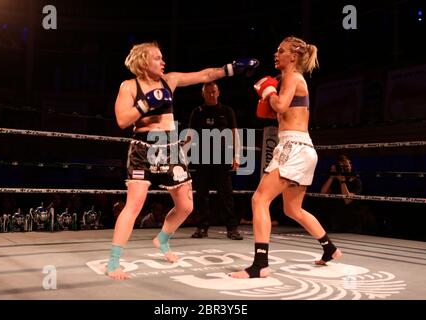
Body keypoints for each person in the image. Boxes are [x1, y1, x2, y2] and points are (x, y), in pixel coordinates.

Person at [106, 41, 259, 280]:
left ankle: (162, 239)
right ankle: (114, 262)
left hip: (170, 147)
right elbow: (122, 120)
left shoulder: (170, 80)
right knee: (134, 205)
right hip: (143, 149)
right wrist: (145, 103)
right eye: (157, 57)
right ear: (144, 61)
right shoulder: (128, 86)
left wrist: (230, 69)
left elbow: (204, 75)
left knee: (186, 206)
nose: (163, 61)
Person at [230, 36, 341, 279]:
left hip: (294, 146)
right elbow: (281, 113)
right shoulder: (292, 80)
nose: (276, 54)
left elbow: (279, 106)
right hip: (303, 147)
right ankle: (329, 248)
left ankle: (260, 264)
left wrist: (268, 92)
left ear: (293, 56)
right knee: (292, 209)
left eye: (280, 50)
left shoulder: (292, 76)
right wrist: (269, 98)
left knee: (259, 200)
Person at [186, 82, 243, 240]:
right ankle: (202, 228)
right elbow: (190, 135)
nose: (211, 95)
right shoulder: (197, 112)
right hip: (202, 157)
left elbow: (234, 134)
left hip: (222, 158)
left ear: (218, 93)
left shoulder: (226, 111)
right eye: (208, 92)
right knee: (201, 194)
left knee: (226, 194)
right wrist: (183, 157)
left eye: (214, 92)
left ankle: (232, 229)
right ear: (203, 94)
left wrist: (236, 156)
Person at [320, 154, 368, 233]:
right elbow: (323, 193)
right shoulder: (335, 180)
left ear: (351, 166)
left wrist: (342, 181)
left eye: (346, 166)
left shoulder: (356, 180)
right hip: (336, 219)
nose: (344, 169)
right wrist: (332, 176)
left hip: (352, 221)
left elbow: (347, 200)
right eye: (342, 167)